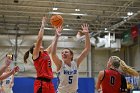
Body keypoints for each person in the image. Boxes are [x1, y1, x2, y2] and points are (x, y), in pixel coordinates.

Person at [50, 23, 91, 93]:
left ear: (71, 55)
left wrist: (87, 34)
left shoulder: (75, 63)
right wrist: (56, 37)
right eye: (62, 53)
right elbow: (53, 54)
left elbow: (87, 49)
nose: (63, 54)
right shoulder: (60, 64)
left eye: (66, 52)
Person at [24, 17, 55, 93]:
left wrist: (57, 35)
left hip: (50, 83)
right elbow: (39, 39)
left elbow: (53, 44)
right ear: (34, 49)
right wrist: (43, 25)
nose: (39, 44)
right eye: (37, 45)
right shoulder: (36, 56)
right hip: (41, 83)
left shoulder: (45, 52)